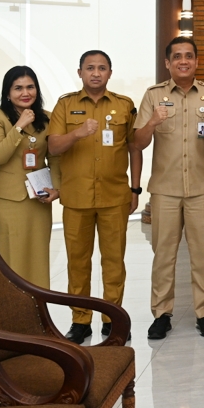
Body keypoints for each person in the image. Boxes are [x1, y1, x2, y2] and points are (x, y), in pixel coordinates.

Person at [133, 36, 204, 340]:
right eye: (177, 57)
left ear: (196, 61)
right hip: (165, 190)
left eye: (188, 56)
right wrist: (152, 122)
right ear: (167, 63)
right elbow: (138, 142)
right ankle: (161, 314)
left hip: (202, 189)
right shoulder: (153, 96)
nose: (183, 61)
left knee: (203, 255)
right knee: (163, 255)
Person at [48, 50, 140, 344]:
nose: (96, 73)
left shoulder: (124, 105)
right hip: (77, 197)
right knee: (78, 262)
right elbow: (53, 147)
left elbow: (134, 147)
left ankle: (112, 319)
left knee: (114, 261)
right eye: (90, 68)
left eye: (102, 68)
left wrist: (136, 189)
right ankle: (80, 320)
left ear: (110, 73)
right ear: (80, 73)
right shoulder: (65, 104)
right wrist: (77, 133)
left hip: (115, 196)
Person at [0, 66, 59, 288]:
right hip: (6, 202)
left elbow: (55, 158)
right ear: (8, 93)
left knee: (37, 260)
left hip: (38, 200)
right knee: (9, 261)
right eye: (18, 88)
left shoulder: (48, 118)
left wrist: (57, 189)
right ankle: (9, 309)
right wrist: (19, 126)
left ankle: (37, 307)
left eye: (30, 87)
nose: (25, 93)